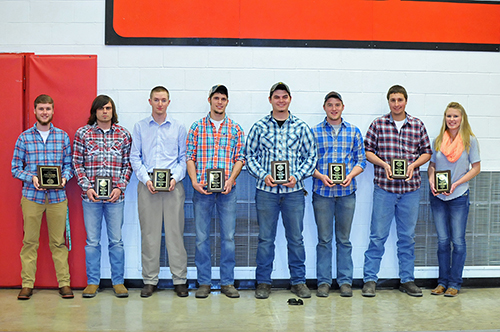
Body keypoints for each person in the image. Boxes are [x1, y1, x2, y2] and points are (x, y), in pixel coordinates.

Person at [245, 82, 317, 299]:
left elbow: (311, 157)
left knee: (296, 238)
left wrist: (296, 176)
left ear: (290, 99)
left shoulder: (301, 127)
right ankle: (264, 282)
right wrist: (262, 174)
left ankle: (298, 281)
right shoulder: (259, 127)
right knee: (265, 238)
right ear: (270, 100)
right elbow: (249, 156)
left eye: (284, 97)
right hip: (266, 191)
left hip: (294, 192)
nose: (281, 100)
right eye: (277, 97)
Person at [362, 85, 432, 297]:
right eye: (392, 100)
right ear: (388, 102)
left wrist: (413, 166)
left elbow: (427, 152)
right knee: (377, 236)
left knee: (407, 238)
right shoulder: (378, 124)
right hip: (385, 189)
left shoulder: (417, 125)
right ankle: (370, 280)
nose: (396, 104)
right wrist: (384, 165)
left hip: (410, 191)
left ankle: (407, 280)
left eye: (399, 100)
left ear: (406, 101)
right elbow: (367, 151)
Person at [11, 94, 74, 300]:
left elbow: (69, 166)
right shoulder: (24, 137)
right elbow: (15, 169)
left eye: (48, 109)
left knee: (58, 242)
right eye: (41, 109)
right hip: (31, 197)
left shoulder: (63, 137)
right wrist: (32, 178)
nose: (44, 112)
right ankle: (27, 284)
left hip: (57, 197)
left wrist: (64, 179)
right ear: (35, 111)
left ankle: (64, 283)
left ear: (53, 111)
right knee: (29, 242)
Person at [186, 85, 245, 299]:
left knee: (228, 237)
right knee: (201, 238)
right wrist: (193, 181)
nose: (219, 102)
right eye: (216, 98)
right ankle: (204, 282)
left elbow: (240, 158)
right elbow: (189, 156)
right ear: (209, 100)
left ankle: (227, 282)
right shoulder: (196, 127)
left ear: (227, 102)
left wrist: (231, 179)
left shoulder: (235, 129)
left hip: (228, 191)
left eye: (223, 99)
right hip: (202, 190)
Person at [130, 86, 189, 298]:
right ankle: (149, 280)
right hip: (148, 185)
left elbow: (184, 158)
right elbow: (135, 157)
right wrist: (146, 179)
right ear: (150, 101)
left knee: (175, 233)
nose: (160, 104)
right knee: (150, 234)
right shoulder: (140, 127)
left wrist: (175, 178)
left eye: (164, 100)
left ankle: (180, 280)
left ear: (169, 102)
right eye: (156, 100)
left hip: (173, 185)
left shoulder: (179, 127)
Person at [73, 95, 133, 298]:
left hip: (116, 198)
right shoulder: (83, 134)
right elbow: (77, 163)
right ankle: (92, 282)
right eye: (101, 108)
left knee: (116, 241)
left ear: (112, 111)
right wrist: (87, 187)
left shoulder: (123, 135)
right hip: (90, 198)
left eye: (108, 108)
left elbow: (128, 164)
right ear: (95, 111)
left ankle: (118, 282)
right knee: (92, 242)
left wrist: (120, 187)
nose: (104, 111)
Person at [311, 91, 366, 298]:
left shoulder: (353, 131)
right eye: (330, 105)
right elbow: (308, 161)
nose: (334, 108)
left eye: (337, 105)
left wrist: (350, 175)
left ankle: (345, 282)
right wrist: (320, 176)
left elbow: (361, 161)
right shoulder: (314, 132)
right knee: (324, 240)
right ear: (324, 107)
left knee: (344, 240)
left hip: (346, 193)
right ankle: (324, 282)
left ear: (343, 107)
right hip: (322, 192)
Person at [428, 102, 480, 297]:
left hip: (458, 196)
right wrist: (432, 180)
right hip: (438, 197)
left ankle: (454, 283)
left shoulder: (470, 141)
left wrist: (456, 184)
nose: (452, 120)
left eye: (455, 116)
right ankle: (441, 282)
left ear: (462, 118)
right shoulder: (438, 140)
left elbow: (476, 167)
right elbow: (432, 165)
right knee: (442, 241)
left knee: (457, 241)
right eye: (448, 116)